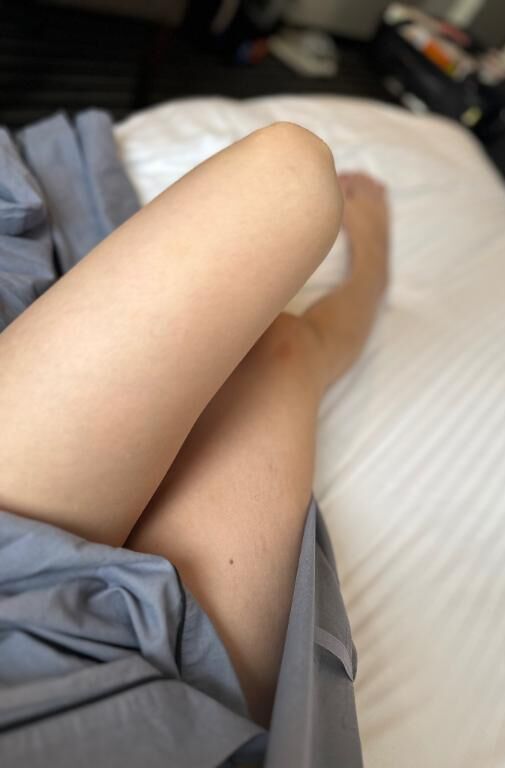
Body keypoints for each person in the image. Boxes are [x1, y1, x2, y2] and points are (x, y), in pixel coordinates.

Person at [0, 123, 389, 753]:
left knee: (290, 183)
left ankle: (372, 269)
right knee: (290, 200)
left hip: (124, 713)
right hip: (163, 706)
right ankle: (373, 270)